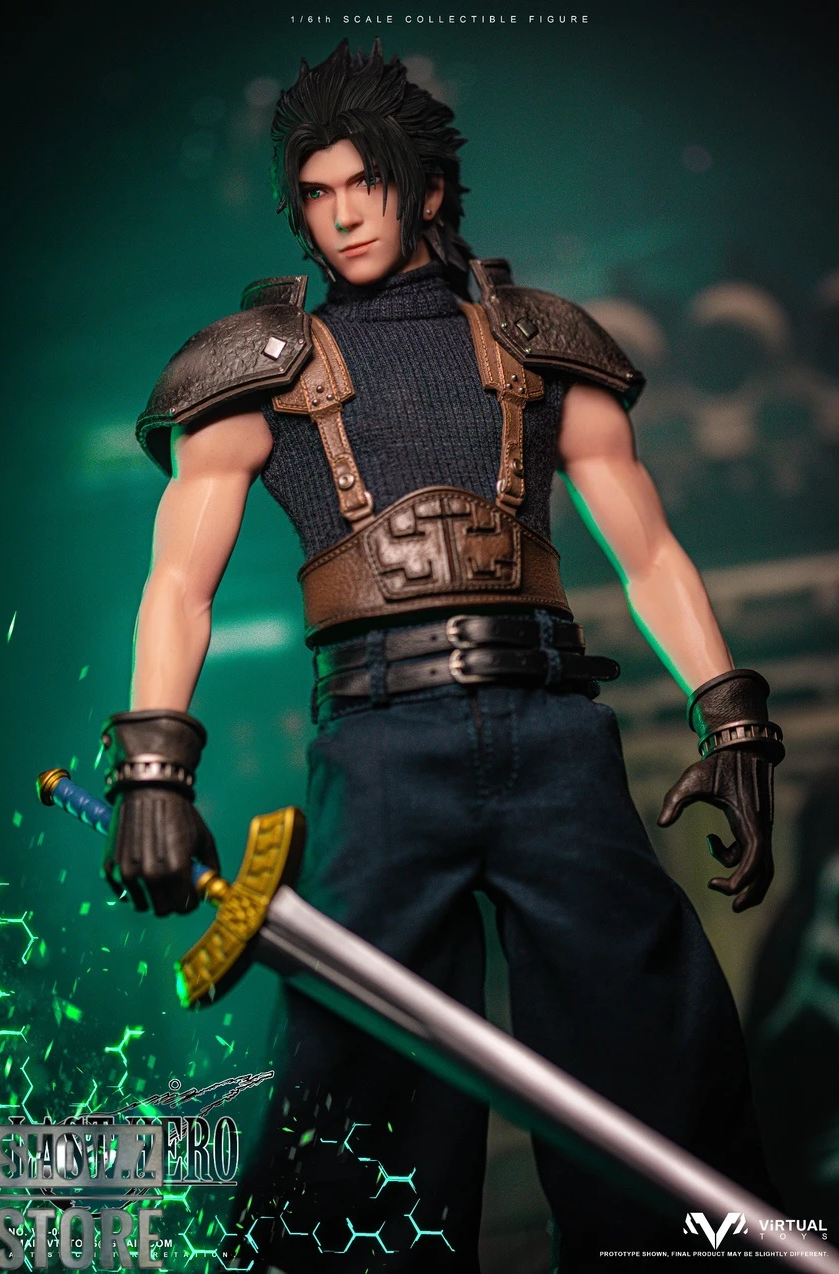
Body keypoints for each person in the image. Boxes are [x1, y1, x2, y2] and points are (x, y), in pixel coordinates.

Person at [100, 41, 784, 1272]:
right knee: (357, 1080)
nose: (342, 213)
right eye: (315, 191)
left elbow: (650, 550)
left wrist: (731, 718)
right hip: (379, 749)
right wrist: (153, 768)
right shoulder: (256, 369)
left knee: (653, 1047)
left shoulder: (536, 343)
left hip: (552, 730)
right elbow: (175, 584)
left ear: (422, 185)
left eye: (364, 181)